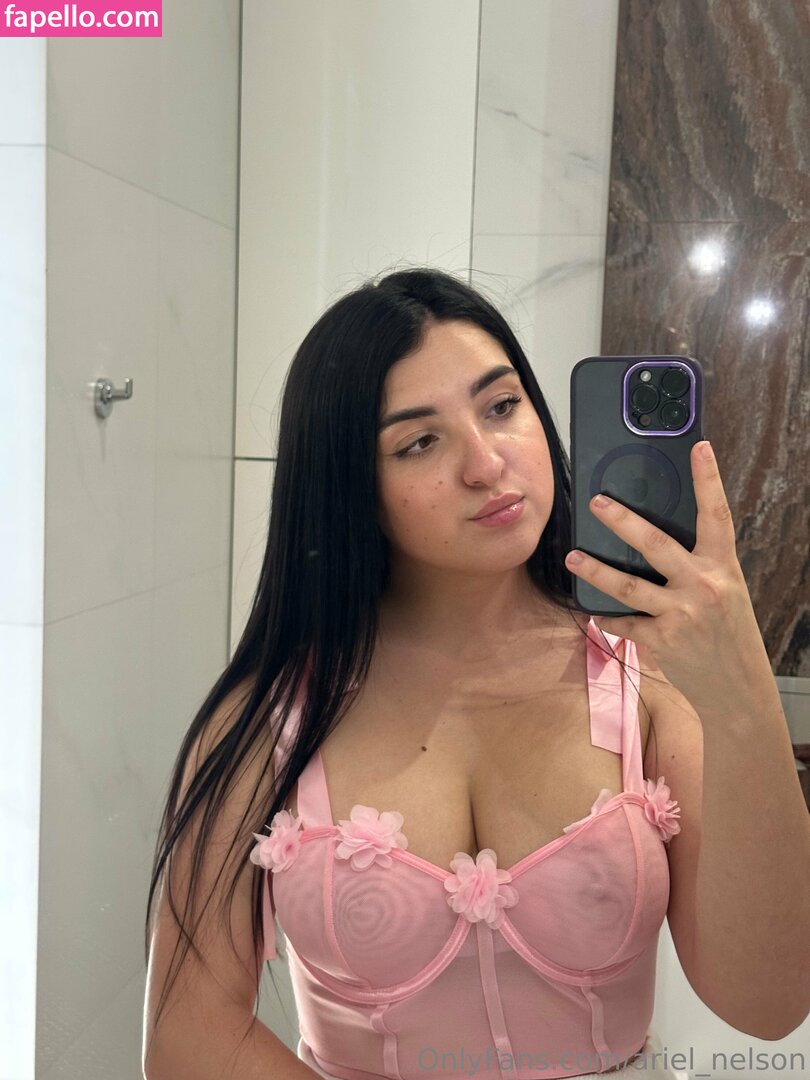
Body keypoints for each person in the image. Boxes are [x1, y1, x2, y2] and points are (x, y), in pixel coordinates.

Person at [142, 267, 698, 1080]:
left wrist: (738, 673)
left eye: (501, 406)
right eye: (418, 443)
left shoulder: (649, 675)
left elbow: (771, 999)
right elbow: (188, 1035)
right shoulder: (264, 719)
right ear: (352, 489)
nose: (487, 463)